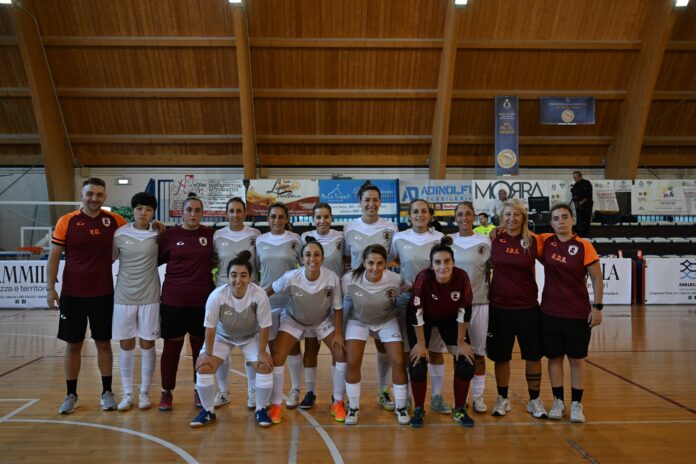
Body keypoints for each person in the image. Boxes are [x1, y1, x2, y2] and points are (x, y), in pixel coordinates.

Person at [47, 177, 127, 414]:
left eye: (99, 195)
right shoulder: (67, 222)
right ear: (82, 196)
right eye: (90, 194)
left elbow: (136, 238)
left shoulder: (115, 221)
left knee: (103, 343)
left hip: (103, 294)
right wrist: (50, 288)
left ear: (105, 197)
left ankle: (107, 392)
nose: (94, 198)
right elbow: (53, 257)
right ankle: (71, 394)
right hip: (72, 295)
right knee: (73, 345)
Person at [189, 251, 274, 428]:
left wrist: (262, 352)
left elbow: (265, 325)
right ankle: (208, 411)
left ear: (250, 277)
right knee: (204, 367)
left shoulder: (259, 295)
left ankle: (261, 409)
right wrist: (207, 353)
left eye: (243, 275)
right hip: (223, 336)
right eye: (233, 275)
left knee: (264, 365)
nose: (238, 280)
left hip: (250, 336)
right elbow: (210, 328)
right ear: (227, 277)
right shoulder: (217, 296)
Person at [266, 237, 346, 424]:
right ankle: (277, 403)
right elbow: (268, 291)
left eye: (316, 254)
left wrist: (339, 333)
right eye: (308, 255)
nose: (312, 258)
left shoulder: (332, 278)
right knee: (277, 357)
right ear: (301, 259)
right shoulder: (291, 276)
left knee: (341, 354)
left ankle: (338, 401)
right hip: (293, 321)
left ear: (322, 258)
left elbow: (338, 308)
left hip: (321, 321)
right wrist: (251, 299)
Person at [541, 204, 603, 423]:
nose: (561, 222)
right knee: (554, 358)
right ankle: (558, 401)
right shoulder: (546, 242)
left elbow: (597, 278)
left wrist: (597, 307)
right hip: (549, 312)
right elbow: (521, 233)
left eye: (565, 217)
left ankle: (577, 404)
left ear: (572, 220)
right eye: (556, 218)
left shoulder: (584, 246)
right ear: (551, 223)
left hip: (577, 313)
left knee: (577, 360)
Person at [390, 199, 452, 415]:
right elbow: (392, 263)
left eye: (424, 211)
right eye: (415, 211)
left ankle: (436, 397)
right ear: (409, 216)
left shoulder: (439, 239)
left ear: (430, 215)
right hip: (406, 302)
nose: (419, 215)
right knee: (410, 351)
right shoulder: (399, 238)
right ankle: (407, 397)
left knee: (435, 351)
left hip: (435, 303)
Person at [407, 236, 476, 428]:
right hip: (423, 319)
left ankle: (460, 409)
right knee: (417, 363)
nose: (442, 266)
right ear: (431, 265)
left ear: (453, 263)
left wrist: (461, 342)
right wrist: (421, 344)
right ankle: (419, 409)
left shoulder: (462, 277)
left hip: (450, 318)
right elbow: (416, 312)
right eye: (437, 262)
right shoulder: (423, 278)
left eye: (447, 261)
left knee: (466, 362)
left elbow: (465, 310)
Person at [488, 199, 547, 419]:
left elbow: (555, 265)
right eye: (507, 215)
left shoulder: (534, 241)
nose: (511, 219)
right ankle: (503, 398)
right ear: (501, 218)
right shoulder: (494, 238)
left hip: (528, 307)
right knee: (501, 357)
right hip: (499, 307)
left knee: (533, 356)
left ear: (523, 217)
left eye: (516, 215)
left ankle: (534, 400)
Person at [343, 181, 400, 411]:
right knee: (351, 352)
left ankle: (383, 391)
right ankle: (348, 397)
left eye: (375, 199)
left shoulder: (392, 228)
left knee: (383, 346)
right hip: (356, 296)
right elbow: (347, 258)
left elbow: (394, 258)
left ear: (380, 202)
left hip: (382, 295)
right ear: (360, 203)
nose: (371, 203)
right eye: (367, 199)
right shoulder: (349, 228)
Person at [158, 192, 215, 411]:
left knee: (200, 349)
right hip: (173, 301)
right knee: (171, 349)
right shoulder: (168, 236)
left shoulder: (210, 235)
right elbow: (153, 260)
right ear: (181, 212)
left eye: (197, 210)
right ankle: (166, 392)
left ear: (202, 213)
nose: (193, 214)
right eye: (189, 210)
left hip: (202, 301)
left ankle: (199, 390)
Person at [343, 244, 411, 425]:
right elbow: (341, 303)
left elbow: (409, 289)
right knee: (353, 362)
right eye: (371, 263)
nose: (375, 267)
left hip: (386, 321)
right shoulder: (349, 279)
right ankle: (354, 407)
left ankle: (401, 406)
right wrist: (339, 331)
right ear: (364, 263)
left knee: (398, 361)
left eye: (380, 263)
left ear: (386, 263)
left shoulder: (396, 279)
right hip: (358, 321)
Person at [112, 192, 160, 411]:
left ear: (153, 213)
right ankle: (127, 393)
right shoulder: (119, 234)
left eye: (148, 209)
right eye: (140, 208)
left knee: (148, 343)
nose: (144, 212)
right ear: (133, 210)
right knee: (126, 344)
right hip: (124, 297)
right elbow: (109, 258)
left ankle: (144, 393)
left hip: (150, 296)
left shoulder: (158, 234)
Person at [212, 197, 261, 411]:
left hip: (249, 297)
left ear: (245, 212)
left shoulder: (255, 235)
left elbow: (258, 265)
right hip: (224, 297)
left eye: (239, 210)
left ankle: (252, 391)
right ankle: (223, 392)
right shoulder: (217, 236)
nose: (235, 214)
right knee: (223, 346)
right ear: (226, 213)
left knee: (251, 346)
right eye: (231, 211)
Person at [255, 202, 303, 408]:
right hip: (267, 302)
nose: (276, 220)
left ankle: (295, 389)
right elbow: (257, 269)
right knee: (273, 349)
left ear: (286, 219)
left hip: (291, 302)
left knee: (291, 348)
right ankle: (274, 393)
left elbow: (302, 267)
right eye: (273, 216)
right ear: (268, 219)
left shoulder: (296, 240)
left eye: (280, 216)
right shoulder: (259, 240)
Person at [299, 202, 346, 409]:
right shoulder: (304, 238)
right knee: (311, 347)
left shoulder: (341, 237)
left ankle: (337, 396)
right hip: (312, 300)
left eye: (326, 216)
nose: (322, 221)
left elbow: (347, 261)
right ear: (313, 219)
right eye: (318, 217)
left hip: (335, 299)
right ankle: (310, 392)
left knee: (339, 347)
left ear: (332, 218)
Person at [449, 202, 491, 413]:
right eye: (459, 214)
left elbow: (493, 271)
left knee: (478, 353)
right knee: (459, 353)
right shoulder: (447, 241)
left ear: (474, 216)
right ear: (455, 218)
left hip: (480, 303)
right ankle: (462, 395)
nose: (464, 217)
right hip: (455, 307)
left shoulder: (486, 241)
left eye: (468, 214)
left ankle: (478, 396)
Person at [571, 171, 593, 237]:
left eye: (576, 177)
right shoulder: (575, 185)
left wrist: (582, 202)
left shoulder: (587, 183)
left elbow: (589, 194)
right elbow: (574, 196)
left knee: (587, 220)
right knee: (579, 220)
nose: (574, 179)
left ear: (580, 176)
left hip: (587, 205)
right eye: (574, 177)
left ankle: (586, 235)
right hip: (578, 205)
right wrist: (576, 203)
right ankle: (579, 235)